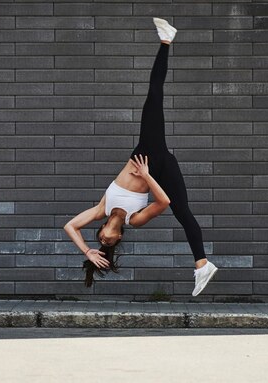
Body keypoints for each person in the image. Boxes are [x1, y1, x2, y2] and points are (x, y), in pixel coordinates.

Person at [64, 18, 218, 297]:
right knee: (181, 210)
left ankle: (202, 265)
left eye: (99, 239)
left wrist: (87, 250)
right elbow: (163, 201)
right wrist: (147, 177)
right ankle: (204, 265)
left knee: (153, 96)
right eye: (106, 244)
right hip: (155, 169)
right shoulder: (134, 219)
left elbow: (70, 226)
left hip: (147, 152)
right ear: (119, 237)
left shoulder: (103, 208)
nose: (102, 239)